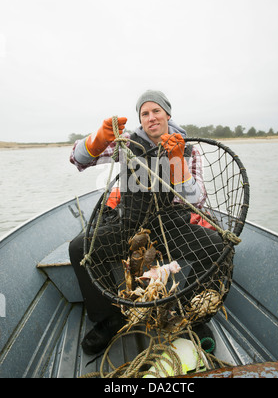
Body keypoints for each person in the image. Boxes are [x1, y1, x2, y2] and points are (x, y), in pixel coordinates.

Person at [69, 90, 223, 355]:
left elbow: (197, 199)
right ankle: (110, 319)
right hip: (129, 225)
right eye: (145, 113)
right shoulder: (127, 143)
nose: (151, 118)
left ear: (167, 114)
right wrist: (96, 140)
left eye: (156, 111)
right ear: (140, 119)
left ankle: (192, 317)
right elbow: (78, 159)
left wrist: (177, 163)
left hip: (171, 225)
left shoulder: (187, 148)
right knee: (79, 248)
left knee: (217, 247)